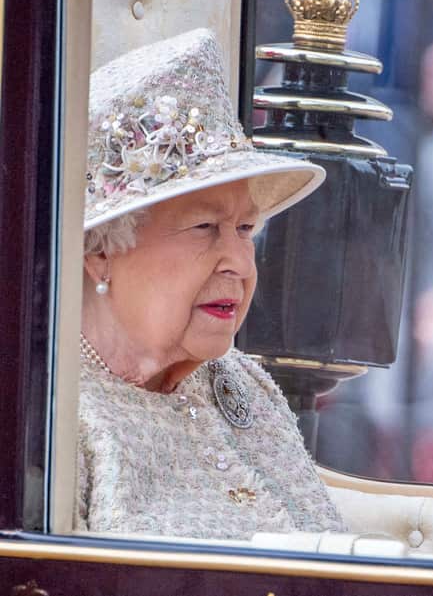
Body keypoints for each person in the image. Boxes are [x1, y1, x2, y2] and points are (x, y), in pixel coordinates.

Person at [75, 29, 343, 539]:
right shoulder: (52, 420)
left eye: (246, 230)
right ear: (100, 251)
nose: (241, 264)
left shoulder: (244, 381)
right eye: (205, 228)